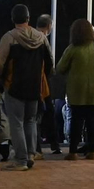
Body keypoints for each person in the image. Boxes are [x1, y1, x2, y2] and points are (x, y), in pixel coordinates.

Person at [0, 3, 53, 168]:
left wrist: (1, 80)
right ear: (28, 18)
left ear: (13, 19)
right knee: (30, 121)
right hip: (35, 86)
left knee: (17, 123)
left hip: (14, 86)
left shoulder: (9, 37)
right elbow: (50, 61)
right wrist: (43, 78)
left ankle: (20, 159)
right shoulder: (41, 37)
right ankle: (30, 155)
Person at [55, 18, 94, 160]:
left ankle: (73, 151)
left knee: (76, 121)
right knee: (92, 120)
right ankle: (92, 150)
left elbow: (60, 68)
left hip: (76, 92)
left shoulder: (72, 48)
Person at [35, 14, 64, 155]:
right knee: (48, 113)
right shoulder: (43, 39)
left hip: (29, 82)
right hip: (43, 82)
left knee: (34, 115)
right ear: (48, 26)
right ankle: (54, 144)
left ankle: (36, 146)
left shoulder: (29, 36)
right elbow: (49, 63)